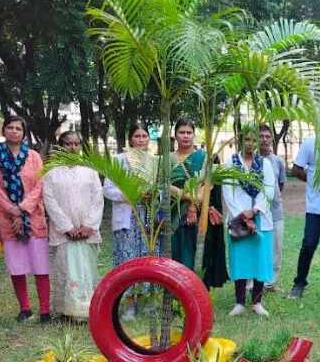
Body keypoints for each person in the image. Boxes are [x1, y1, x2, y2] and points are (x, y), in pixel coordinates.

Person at [0, 116, 52, 323]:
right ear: (4, 131)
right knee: (16, 266)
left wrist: (22, 209)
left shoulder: (33, 156)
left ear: (24, 133)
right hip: (8, 219)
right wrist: (12, 211)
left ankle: (44, 311)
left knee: (40, 266)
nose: (14, 131)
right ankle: (25, 309)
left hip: (33, 218)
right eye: (10, 127)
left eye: (18, 128)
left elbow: (39, 185)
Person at [43, 131, 103, 322]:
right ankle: (66, 312)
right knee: (65, 269)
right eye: (68, 144)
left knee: (87, 269)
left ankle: (88, 310)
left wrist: (88, 226)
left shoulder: (90, 171)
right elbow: (49, 201)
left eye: (76, 144)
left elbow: (98, 199)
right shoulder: (51, 173)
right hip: (64, 233)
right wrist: (67, 227)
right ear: (60, 146)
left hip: (87, 232)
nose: (73, 148)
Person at [103, 121, 161, 320]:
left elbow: (162, 189)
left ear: (149, 139)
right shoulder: (118, 160)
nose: (141, 140)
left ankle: (146, 303)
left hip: (147, 220)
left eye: (144, 136)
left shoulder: (154, 162)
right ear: (130, 139)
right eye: (137, 136)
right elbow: (108, 190)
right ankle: (129, 305)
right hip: (127, 220)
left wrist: (154, 196)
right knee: (127, 261)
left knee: (147, 260)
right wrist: (132, 195)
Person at [223, 124, 276, 316]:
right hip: (238, 219)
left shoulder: (265, 164)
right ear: (240, 139)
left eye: (254, 139)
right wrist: (243, 216)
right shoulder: (230, 162)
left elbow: (268, 190)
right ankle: (239, 302)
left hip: (261, 217)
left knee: (259, 258)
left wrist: (254, 212)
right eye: (246, 139)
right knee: (239, 258)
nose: (250, 143)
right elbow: (228, 193)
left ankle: (257, 302)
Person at [287, 133, 320, 299]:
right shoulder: (311, 142)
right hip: (316, 206)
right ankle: (299, 283)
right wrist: (312, 180)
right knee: (309, 244)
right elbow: (296, 169)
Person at [169, 118, 206, 270]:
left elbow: (204, 191)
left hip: (198, 215)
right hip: (172, 215)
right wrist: (191, 197)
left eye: (189, 132)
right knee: (174, 253)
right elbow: (162, 186)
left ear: (194, 135)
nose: (185, 136)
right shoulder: (167, 159)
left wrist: (193, 205)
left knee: (194, 254)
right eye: (182, 132)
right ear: (175, 135)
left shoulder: (203, 158)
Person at [260, 124, 286, 290]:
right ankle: (253, 282)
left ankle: (271, 282)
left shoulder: (277, 161)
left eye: (267, 137)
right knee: (258, 247)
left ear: (271, 139)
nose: (264, 139)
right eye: (261, 136)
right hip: (256, 213)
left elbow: (280, 184)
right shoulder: (252, 159)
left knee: (276, 248)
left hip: (275, 211)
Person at [202, 154, 229, 292]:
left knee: (211, 253)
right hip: (201, 217)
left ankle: (206, 289)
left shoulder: (218, 173)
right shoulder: (198, 172)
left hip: (214, 219)